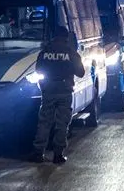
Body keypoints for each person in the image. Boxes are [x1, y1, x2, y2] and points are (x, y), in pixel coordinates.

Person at [31, 31, 85, 164]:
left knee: (44, 122)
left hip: (48, 90)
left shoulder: (44, 52)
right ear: (66, 39)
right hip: (64, 90)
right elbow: (81, 73)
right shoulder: (71, 53)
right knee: (62, 123)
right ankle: (58, 155)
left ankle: (38, 153)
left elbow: (38, 70)